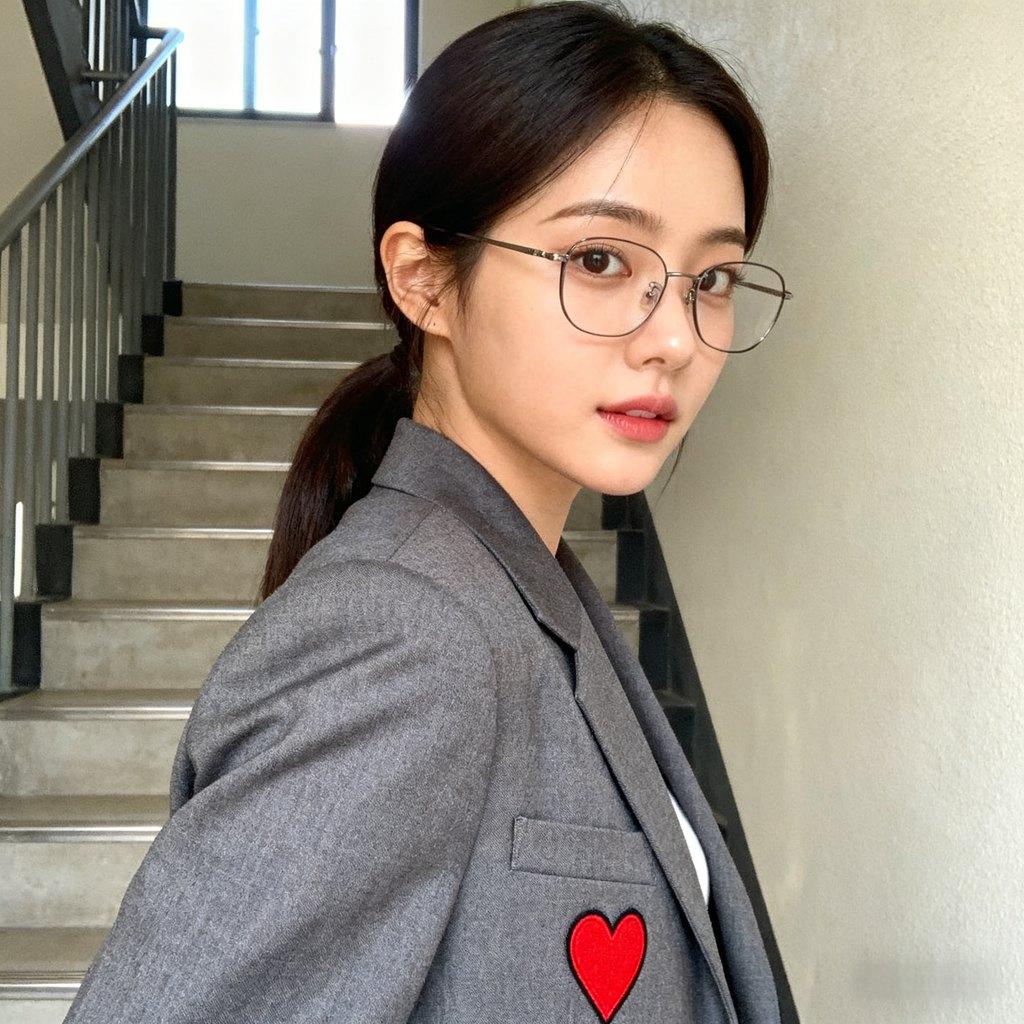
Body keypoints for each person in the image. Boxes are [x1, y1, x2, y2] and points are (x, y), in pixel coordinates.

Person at [62, 2, 791, 1021]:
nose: (672, 334)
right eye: (598, 260)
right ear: (424, 281)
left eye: (710, 278)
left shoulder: (525, 591)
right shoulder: (406, 629)